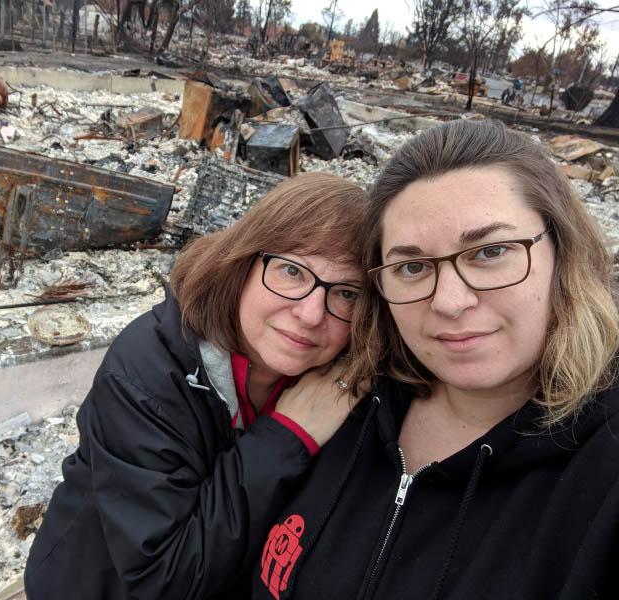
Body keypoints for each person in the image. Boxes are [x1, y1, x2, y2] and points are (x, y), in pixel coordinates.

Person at [252, 119, 619, 600]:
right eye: (411, 267)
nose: (449, 301)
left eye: (489, 252)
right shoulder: (339, 397)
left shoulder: (604, 471)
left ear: (563, 252)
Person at [25, 172, 370, 600]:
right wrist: (286, 437)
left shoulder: (339, 379)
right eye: (291, 271)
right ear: (244, 263)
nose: (311, 313)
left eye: (347, 294)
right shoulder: (146, 373)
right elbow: (164, 576)